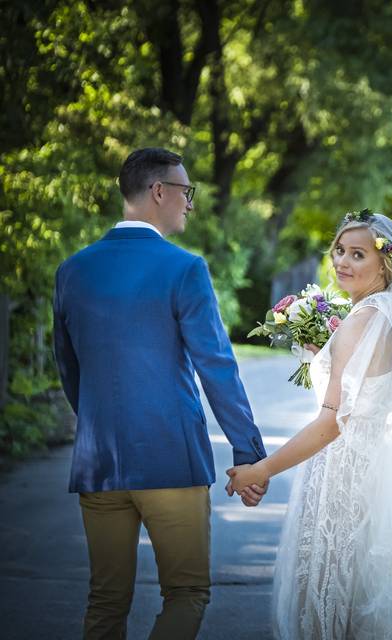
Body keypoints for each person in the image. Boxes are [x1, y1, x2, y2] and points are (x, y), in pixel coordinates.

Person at [52, 147, 268, 640]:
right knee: (187, 593)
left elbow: (69, 368)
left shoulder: (72, 270)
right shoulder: (184, 269)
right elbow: (217, 368)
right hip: (170, 459)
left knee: (105, 601)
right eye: (186, 192)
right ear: (159, 192)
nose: (190, 204)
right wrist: (249, 454)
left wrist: (99, 426)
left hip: (99, 464)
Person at [226, 210, 392, 639]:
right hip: (378, 467)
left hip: (348, 474)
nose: (342, 261)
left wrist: (262, 469)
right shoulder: (385, 314)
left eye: (358, 254)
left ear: (386, 264)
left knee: (331, 600)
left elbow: (333, 421)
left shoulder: (361, 320)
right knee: (360, 597)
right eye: (340, 250)